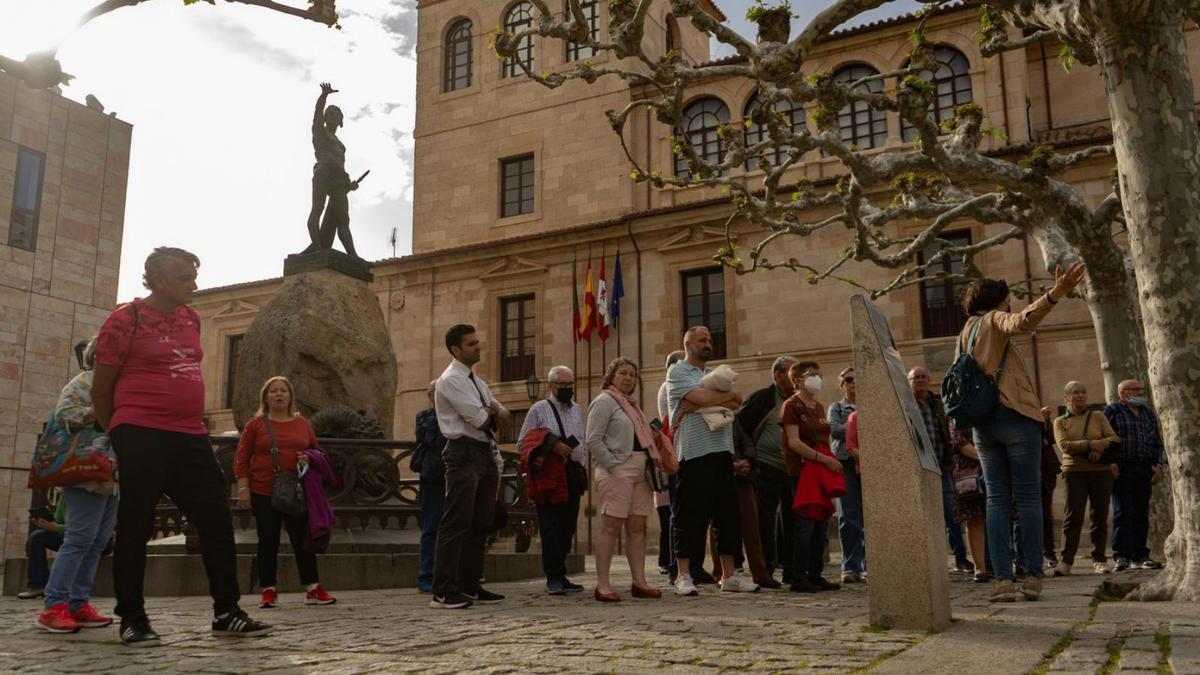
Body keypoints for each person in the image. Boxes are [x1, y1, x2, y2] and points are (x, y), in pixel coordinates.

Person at [92, 246, 272, 645]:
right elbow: (101, 389)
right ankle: (133, 618)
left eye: (194, 276)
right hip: (140, 431)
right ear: (158, 281)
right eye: (184, 278)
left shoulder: (191, 317)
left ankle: (227, 610)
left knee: (215, 518)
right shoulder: (126, 318)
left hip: (190, 434)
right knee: (136, 524)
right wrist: (120, 433)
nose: (194, 284)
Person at [956, 261, 1087, 602]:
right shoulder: (995, 319)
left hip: (983, 425)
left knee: (996, 500)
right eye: (1007, 298)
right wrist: (1056, 292)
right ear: (999, 301)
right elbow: (1021, 322)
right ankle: (1031, 576)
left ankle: (1001, 580)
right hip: (1015, 416)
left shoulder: (965, 332)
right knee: (1028, 497)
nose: (1009, 303)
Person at [35, 337, 120, 633]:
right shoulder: (84, 382)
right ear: (98, 356)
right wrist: (97, 411)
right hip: (85, 470)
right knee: (80, 538)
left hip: (111, 474)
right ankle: (54, 605)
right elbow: (64, 415)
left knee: (97, 542)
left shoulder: (116, 386)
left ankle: (78, 603)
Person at [668, 327, 758, 596]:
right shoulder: (678, 371)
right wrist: (712, 399)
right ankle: (683, 575)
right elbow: (704, 398)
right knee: (690, 515)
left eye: (709, 340)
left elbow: (738, 400)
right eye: (702, 340)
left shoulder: (712, 375)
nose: (708, 344)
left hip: (722, 453)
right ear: (687, 343)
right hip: (693, 453)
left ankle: (729, 576)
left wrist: (704, 402)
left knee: (727, 517)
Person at [234, 376, 336, 609]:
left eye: (283, 391)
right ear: (266, 397)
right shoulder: (256, 425)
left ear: (290, 397)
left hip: (295, 491)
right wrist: (243, 488)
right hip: (263, 489)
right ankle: (268, 590)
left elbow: (317, 452)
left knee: (302, 540)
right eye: (273, 391)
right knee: (267, 540)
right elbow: (241, 458)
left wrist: (307, 457)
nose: (279, 394)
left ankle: (312, 588)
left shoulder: (303, 424)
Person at [431, 324, 509, 609]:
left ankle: (469, 585)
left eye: (478, 341)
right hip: (462, 452)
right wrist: (490, 412)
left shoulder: (476, 380)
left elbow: (503, 415)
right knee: (456, 521)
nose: (479, 347)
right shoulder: (451, 379)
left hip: (483, 452)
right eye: (471, 343)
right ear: (456, 350)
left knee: (480, 523)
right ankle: (442, 590)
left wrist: (491, 412)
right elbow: (483, 420)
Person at [586, 358, 663, 602]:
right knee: (611, 527)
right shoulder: (605, 401)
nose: (629, 378)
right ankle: (603, 585)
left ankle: (639, 582)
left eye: (632, 374)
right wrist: (612, 465)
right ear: (611, 377)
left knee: (637, 528)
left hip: (642, 470)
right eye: (623, 373)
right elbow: (593, 439)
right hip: (617, 468)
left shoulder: (633, 406)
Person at [519, 366, 586, 595]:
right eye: (562, 385)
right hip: (551, 476)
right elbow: (523, 443)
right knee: (551, 526)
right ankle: (553, 577)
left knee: (568, 526)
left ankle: (562, 573)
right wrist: (552, 446)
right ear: (550, 386)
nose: (567, 388)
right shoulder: (538, 409)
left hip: (573, 474)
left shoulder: (576, 409)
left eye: (570, 384)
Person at [781, 361, 844, 593]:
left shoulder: (818, 407)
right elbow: (793, 442)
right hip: (802, 471)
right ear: (797, 381)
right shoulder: (791, 406)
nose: (817, 378)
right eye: (811, 375)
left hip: (820, 472)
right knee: (805, 524)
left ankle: (815, 574)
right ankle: (799, 576)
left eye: (818, 373)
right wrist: (825, 459)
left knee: (821, 523)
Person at [735, 355, 797, 586]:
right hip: (765, 467)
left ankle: (792, 568)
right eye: (792, 372)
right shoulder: (761, 399)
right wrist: (747, 458)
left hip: (792, 468)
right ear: (778, 375)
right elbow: (739, 429)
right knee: (765, 520)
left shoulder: (799, 400)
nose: (797, 378)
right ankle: (765, 570)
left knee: (792, 519)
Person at [1052, 381, 1120, 576]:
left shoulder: (1098, 416)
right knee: (1073, 516)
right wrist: (1091, 444)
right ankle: (1066, 561)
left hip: (1101, 472)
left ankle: (1099, 559)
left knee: (1099, 516)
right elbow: (1065, 446)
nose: (1080, 395)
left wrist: (1101, 447)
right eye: (1075, 392)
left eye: (1083, 391)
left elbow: (1114, 438)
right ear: (1067, 397)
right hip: (1074, 472)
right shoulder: (1060, 421)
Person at [908, 366, 971, 574]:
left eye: (923, 377)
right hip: (916, 467)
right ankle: (925, 560)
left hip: (942, 465)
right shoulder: (906, 405)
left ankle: (960, 558)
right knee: (920, 513)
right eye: (916, 377)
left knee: (951, 512)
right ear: (909, 381)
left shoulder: (938, 404)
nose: (920, 380)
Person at [1103, 378, 1166, 571]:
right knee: (1123, 512)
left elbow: (1155, 439)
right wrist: (1111, 462)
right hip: (1121, 468)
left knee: (1141, 513)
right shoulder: (1111, 411)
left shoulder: (1147, 412)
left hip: (1143, 468)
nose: (1140, 393)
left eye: (1141, 389)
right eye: (1135, 390)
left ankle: (1140, 555)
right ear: (1123, 393)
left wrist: (1157, 464)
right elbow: (1103, 437)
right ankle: (1121, 556)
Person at [303, 82, 362, 256]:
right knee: (317, 209)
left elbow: (340, 166)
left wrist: (348, 186)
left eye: (337, 113)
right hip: (323, 172)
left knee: (343, 218)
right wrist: (324, 96)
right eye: (330, 112)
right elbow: (316, 116)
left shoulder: (341, 146)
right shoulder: (320, 133)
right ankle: (318, 248)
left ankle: (353, 255)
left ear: (341, 121)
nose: (333, 115)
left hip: (339, 179)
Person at [829, 368, 864, 583]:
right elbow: (833, 429)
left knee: (871, 516)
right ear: (842, 384)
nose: (853, 383)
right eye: (848, 380)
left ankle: (872, 564)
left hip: (869, 463)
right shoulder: (837, 407)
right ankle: (851, 566)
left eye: (856, 379)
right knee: (848, 515)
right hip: (846, 463)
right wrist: (858, 427)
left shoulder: (870, 405)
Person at [413, 380, 447, 594]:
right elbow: (425, 441)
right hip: (433, 476)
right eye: (431, 392)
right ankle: (426, 575)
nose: (433, 395)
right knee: (431, 527)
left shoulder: (452, 414)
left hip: (451, 475)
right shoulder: (425, 417)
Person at [949, 423, 992, 583]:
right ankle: (980, 568)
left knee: (997, 516)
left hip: (993, 467)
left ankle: (998, 564)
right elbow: (958, 441)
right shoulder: (958, 416)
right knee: (974, 518)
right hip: (968, 472)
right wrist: (986, 456)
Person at [17, 499, 65, 599]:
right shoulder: (65, 498)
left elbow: (86, 528)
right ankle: (38, 586)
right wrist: (47, 525)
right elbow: (58, 522)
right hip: (68, 536)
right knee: (36, 537)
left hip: (93, 539)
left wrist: (57, 528)